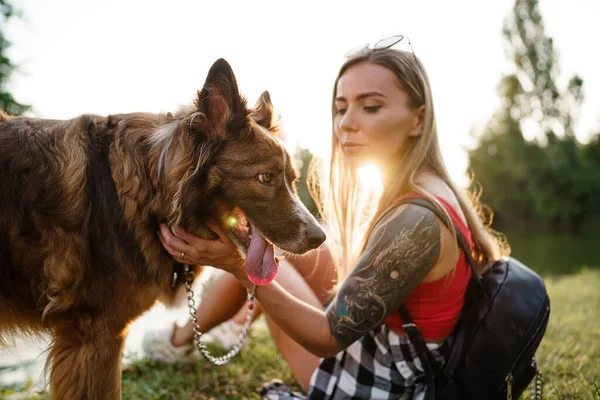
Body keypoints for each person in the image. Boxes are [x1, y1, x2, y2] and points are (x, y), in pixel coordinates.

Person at [150, 38, 506, 399]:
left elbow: (327, 338)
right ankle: (203, 333)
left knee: (269, 261)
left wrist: (238, 266)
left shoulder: (416, 222)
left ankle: (179, 340)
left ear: (418, 119)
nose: (347, 124)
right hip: (402, 350)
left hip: (386, 382)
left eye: (370, 107)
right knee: (285, 251)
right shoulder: (428, 189)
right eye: (340, 108)